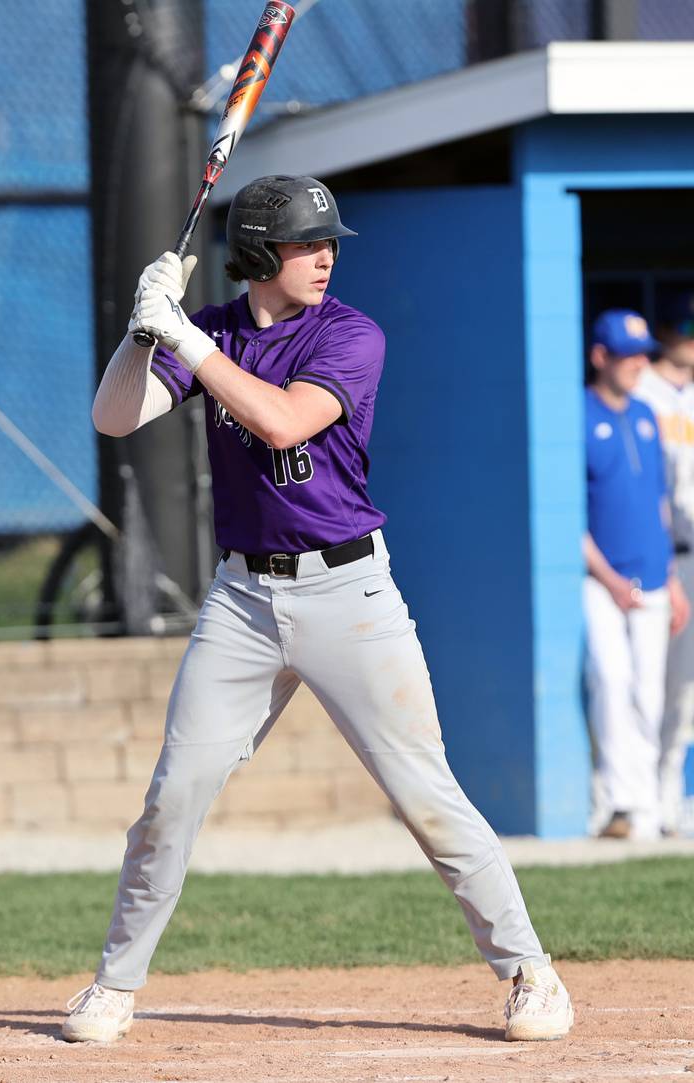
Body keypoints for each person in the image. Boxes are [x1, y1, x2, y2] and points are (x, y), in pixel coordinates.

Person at [61, 175, 573, 1044]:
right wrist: (144, 332)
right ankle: (114, 984)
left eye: (328, 241)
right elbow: (115, 419)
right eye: (306, 243)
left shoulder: (350, 334)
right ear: (261, 253)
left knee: (425, 793)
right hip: (242, 600)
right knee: (173, 796)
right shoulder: (214, 332)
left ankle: (531, 972)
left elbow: (282, 422)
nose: (325, 255)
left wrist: (186, 337)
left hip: (350, 594)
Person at [583, 309, 688, 841]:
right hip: (601, 581)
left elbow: (660, 504)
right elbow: (570, 517)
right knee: (610, 681)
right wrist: (607, 577)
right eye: (627, 355)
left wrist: (670, 578)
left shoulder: (647, 414)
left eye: (642, 353)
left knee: (649, 691)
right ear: (601, 357)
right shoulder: (579, 414)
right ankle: (617, 802)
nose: (638, 363)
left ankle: (645, 806)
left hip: (653, 576)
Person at [633, 289, 694, 835]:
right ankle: (650, 800)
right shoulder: (645, 390)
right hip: (667, 556)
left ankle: (674, 798)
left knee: (687, 692)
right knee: (656, 685)